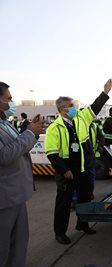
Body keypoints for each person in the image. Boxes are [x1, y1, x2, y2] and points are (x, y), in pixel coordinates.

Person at [45, 79, 112, 245]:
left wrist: (105, 93)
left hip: (84, 168)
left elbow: (94, 108)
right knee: (64, 202)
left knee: (85, 198)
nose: (75, 108)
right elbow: (52, 153)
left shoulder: (81, 118)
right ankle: (60, 232)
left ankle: (83, 224)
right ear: (62, 109)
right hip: (67, 171)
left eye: (74, 105)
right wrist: (64, 170)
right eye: (71, 106)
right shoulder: (55, 128)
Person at [0, 81, 44, 267]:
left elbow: (17, 147)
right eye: (8, 98)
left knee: (18, 246)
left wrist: (32, 134)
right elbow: (3, 156)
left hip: (16, 194)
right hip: (4, 198)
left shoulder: (4, 123)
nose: (12, 102)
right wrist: (28, 134)